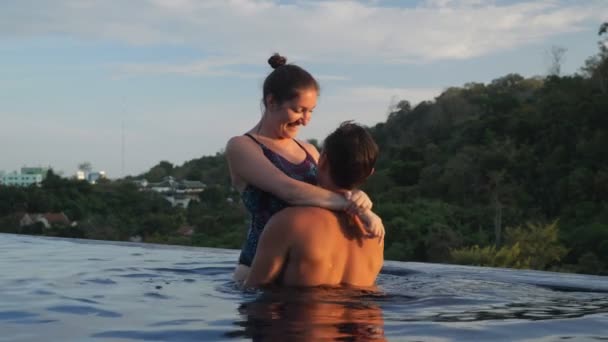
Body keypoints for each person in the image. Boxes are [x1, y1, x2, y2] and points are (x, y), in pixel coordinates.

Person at [226, 54, 384, 281]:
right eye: (299, 110)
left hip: (306, 270)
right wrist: (356, 208)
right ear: (271, 102)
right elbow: (288, 190)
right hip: (257, 274)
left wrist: (358, 197)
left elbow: (330, 190)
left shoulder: (309, 149)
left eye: (311, 111)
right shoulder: (242, 146)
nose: (306, 120)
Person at [245, 122, 384, 288]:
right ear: (369, 173)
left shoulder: (290, 222)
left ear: (323, 160)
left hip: (304, 312)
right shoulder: (376, 234)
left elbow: (252, 289)